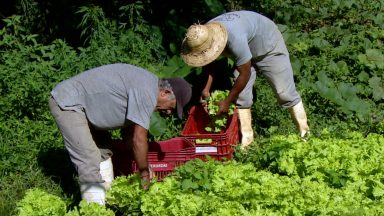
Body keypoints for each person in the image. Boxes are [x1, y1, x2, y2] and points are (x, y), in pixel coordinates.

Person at [48, 63, 192, 205]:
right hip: (69, 103)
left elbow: (130, 137)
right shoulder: (147, 92)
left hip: (87, 109)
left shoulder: (147, 87)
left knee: (104, 151)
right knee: (89, 159)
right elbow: (138, 139)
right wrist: (144, 173)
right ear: (164, 93)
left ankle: (107, 202)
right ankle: (94, 210)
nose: (168, 112)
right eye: (171, 107)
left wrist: (145, 166)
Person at [180, 10, 310, 148]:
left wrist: (227, 102)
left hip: (267, 45)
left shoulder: (233, 37)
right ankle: (247, 144)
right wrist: (206, 89)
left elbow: (245, 73)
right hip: (244, 49)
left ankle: (305, 135)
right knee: (242, 98)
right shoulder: (204, 34)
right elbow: (209, 62)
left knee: (284, 93)